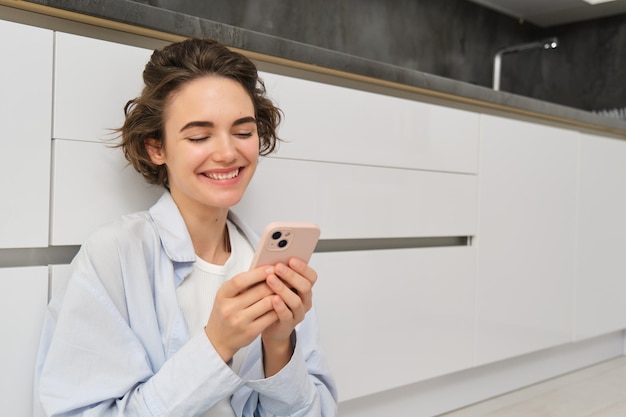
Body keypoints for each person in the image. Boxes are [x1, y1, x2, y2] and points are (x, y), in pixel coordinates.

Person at [33, 37, 338, 417]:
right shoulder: (115, 256)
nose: (228, 152)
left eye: (243, 132)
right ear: (156, 148)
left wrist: (278, 345)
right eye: (199, 136)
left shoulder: (271, 267)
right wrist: (216, 346)